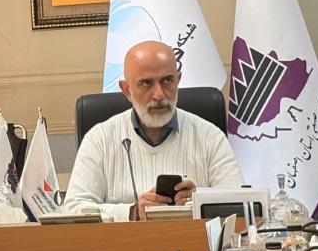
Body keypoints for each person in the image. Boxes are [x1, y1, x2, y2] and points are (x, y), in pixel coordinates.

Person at [66, 40, 242, 221]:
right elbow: (74, 209)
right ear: (126, 90)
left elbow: (241, 204)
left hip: (195, 238)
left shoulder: (209, 136)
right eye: (146, 83)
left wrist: (201, 201)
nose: (159, 95)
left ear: (178, 80)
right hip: (128, 239)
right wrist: (133, 212)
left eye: (167, 81)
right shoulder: (100, 139)